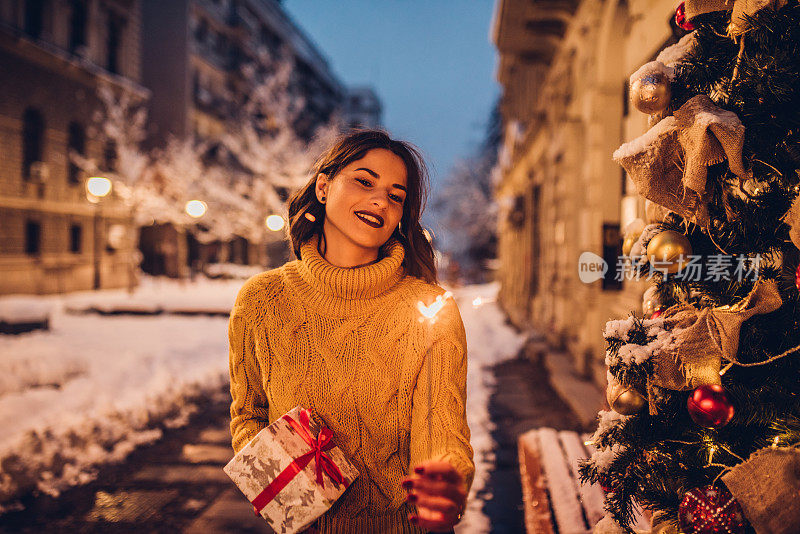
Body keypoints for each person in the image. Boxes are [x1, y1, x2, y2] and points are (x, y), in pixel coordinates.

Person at [228, 129, 474, 533]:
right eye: (364, 181)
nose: (380, 200)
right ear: (323, 186)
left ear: (400, 217)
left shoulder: (431, 309)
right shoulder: (262, 301)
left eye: (396, 196)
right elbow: (248, 414)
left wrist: (445, 479)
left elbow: (443, 431)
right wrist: (278, 481)